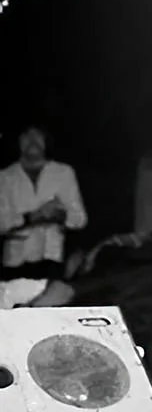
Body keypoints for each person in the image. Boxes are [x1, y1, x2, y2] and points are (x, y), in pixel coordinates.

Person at [0, 125, 87, 307]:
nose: (32, 141)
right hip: (14, 262)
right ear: (18, 142)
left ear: (47, 141)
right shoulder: (5, 177)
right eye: (26, 136)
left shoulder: (63, 173)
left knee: (49, 312)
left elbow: (79, 219)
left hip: (52, 260)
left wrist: (58, 215)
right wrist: (34, 216)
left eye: (38, 136)